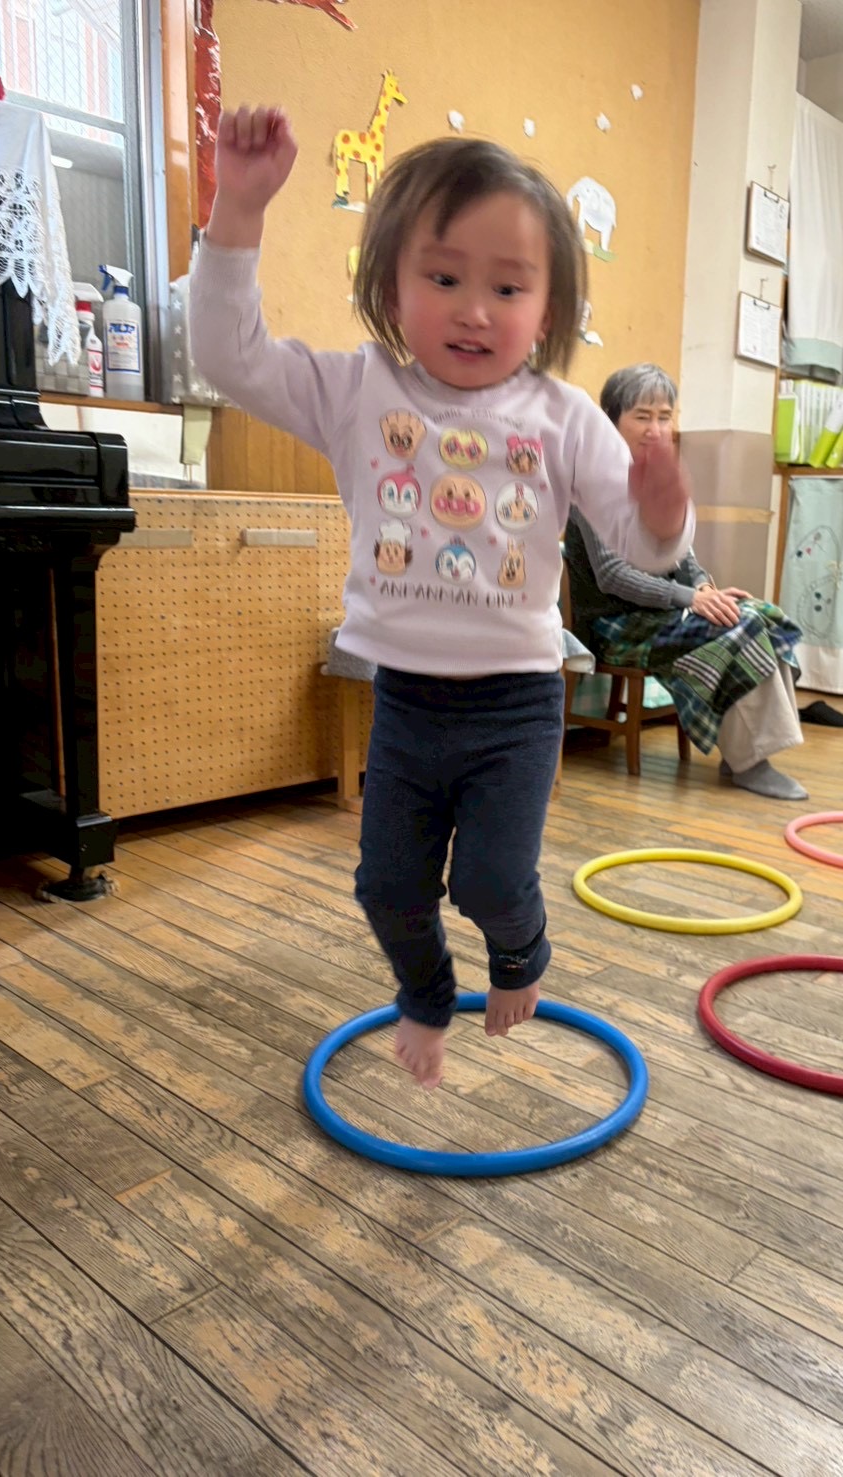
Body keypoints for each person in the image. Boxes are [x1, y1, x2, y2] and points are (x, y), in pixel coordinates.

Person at [191, 110, 693, 1089]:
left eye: (506, 287)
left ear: (547, 308)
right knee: (386, 887)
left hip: (517, 702)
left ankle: (522, 954)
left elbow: (642, 547)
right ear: (391, 285)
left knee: (493, 882)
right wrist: (238, 209)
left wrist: (664, 508)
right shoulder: (357, 391)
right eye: (444, 277)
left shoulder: (563, 419)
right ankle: (424, 994)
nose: (474, 310)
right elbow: (229, 356)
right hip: (407, 702)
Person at [564, 364, 807, 801]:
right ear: (611, 420)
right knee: (737, 627)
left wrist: (705, 590)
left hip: (663, 611)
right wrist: (688, 598)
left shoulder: (659, 478)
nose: (656, 429)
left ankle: (745, 753)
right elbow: (613, 576)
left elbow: (682, 553)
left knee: (759, 615)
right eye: (642, 416)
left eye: (665, 417)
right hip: (615, 625)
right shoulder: (591, 484)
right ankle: (750, 762)